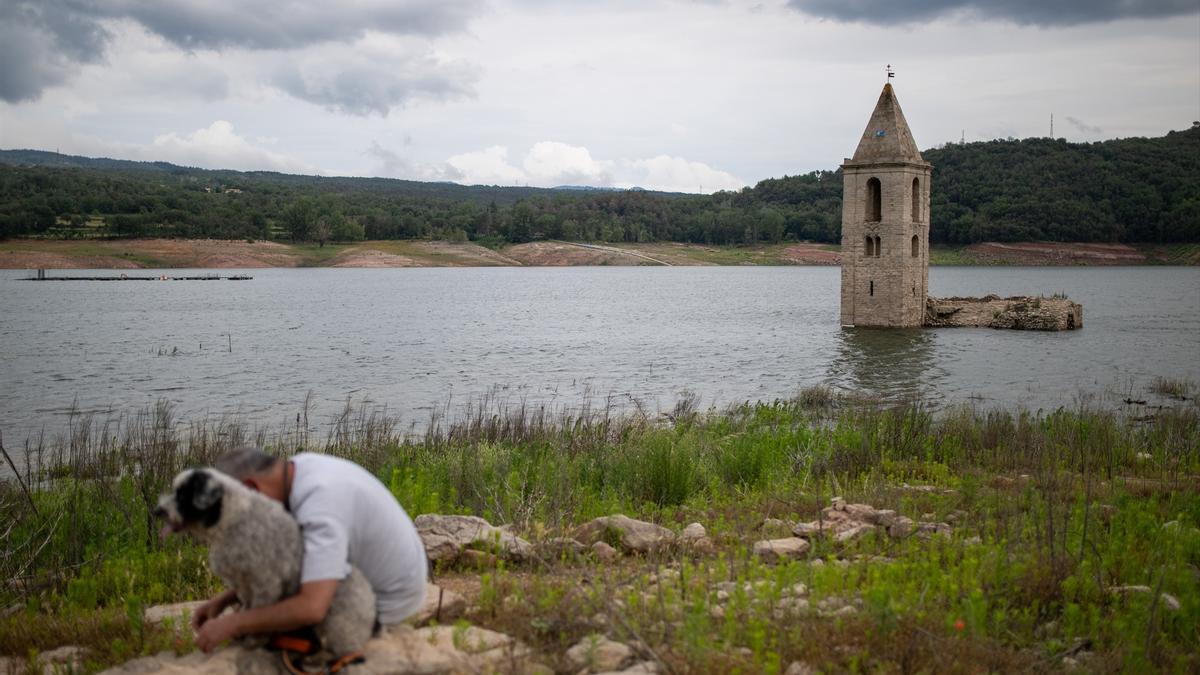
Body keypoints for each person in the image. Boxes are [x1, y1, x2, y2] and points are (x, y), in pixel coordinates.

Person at [191, 447, 428, 652]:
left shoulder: (321, 509)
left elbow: (312, 608)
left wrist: (234, 623)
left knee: (261, 635)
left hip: (388, 600)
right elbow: (293, 560)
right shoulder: (300, 468)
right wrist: (223, 600)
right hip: (385, 574)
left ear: (251, 488)